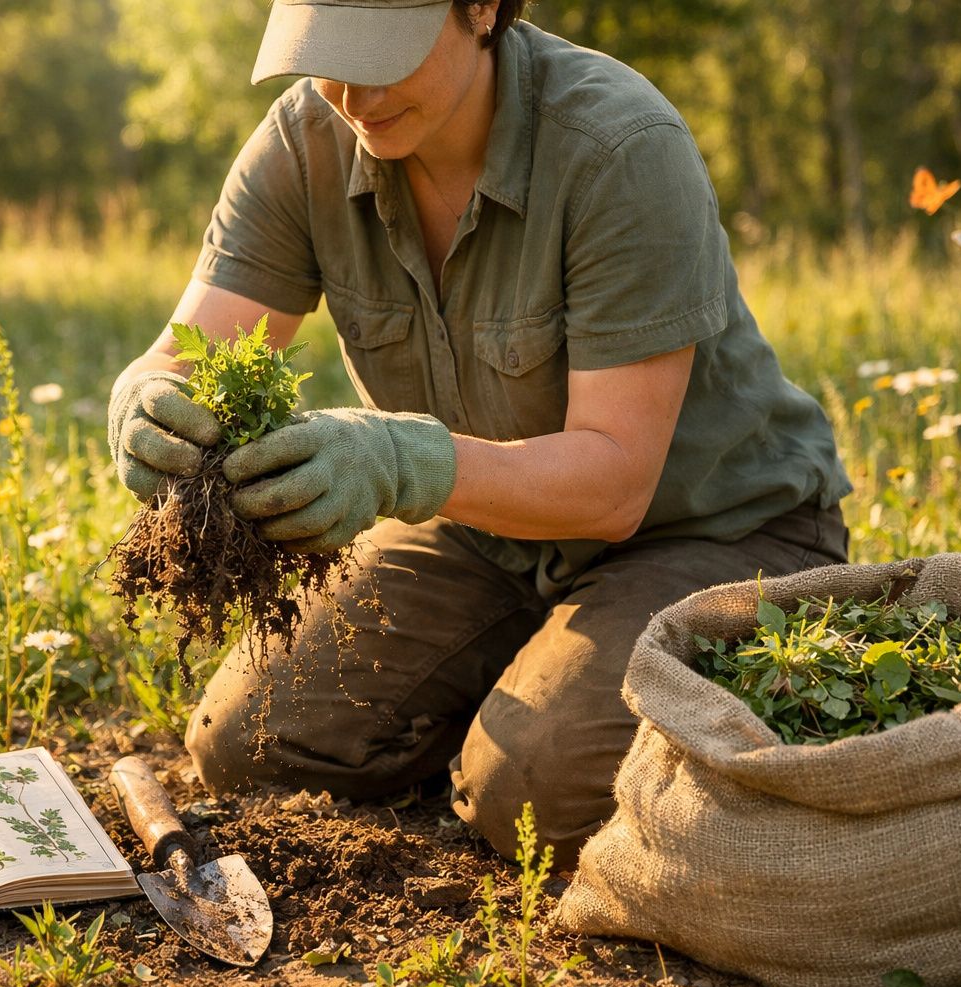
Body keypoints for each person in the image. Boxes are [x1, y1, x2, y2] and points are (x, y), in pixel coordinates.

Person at [106, 0, 852, 866]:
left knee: (532, 796)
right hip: (484, 532)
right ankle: (523, 692)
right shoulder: (303, 142)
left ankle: (574, 722)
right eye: (327, 57)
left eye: (384, 55)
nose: (353, 93)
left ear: (484, 9)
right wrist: (144, 398)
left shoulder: (619, 148)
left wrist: (394, 459)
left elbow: (614, 486)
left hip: (707, 532)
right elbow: (188, 349)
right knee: (251, 743)